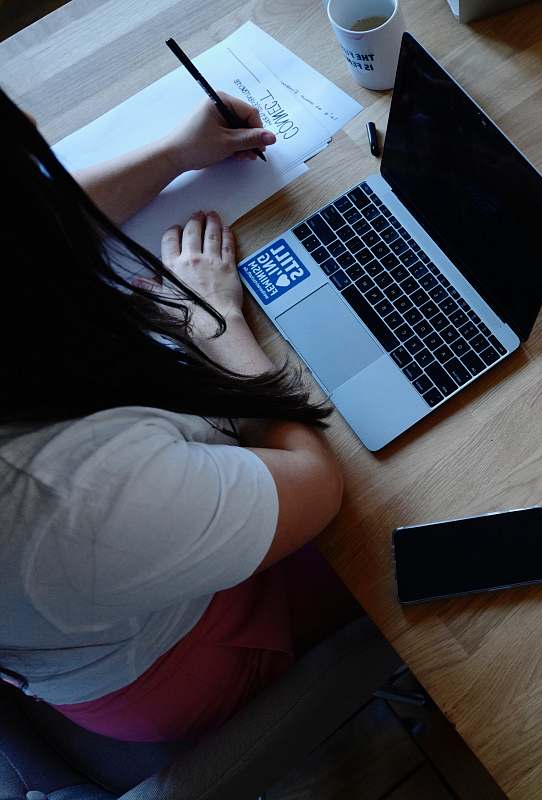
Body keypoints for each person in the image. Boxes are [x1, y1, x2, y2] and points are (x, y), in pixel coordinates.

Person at [0, 87, 359, 743]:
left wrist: (175, 154)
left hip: (84, 603)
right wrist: (210, 318)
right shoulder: (68, 495)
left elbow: (29, 225)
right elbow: (317, 483)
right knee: (399, 528)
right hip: (183, 658)